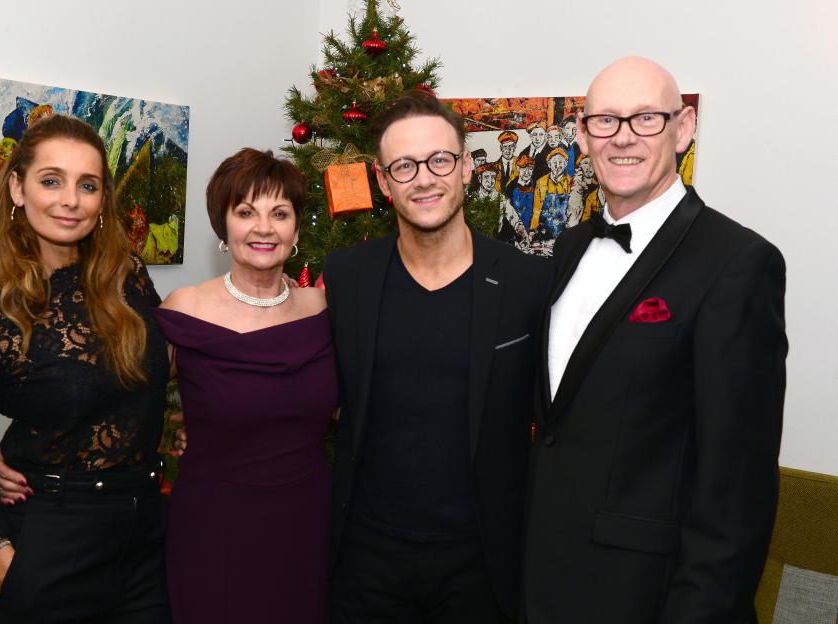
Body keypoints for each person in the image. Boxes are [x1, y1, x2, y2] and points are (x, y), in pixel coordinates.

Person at [524, 56, 787, 623]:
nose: (623, 138)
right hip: (542, 579)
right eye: (605, 121)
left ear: (683, 128)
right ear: (582, 134)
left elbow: (737, 485)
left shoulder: (739, 263)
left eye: (646, 118)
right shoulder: (568, 249)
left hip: (645, 596)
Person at [326, 91, 552, 623]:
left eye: (440, 160)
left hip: (481, 560)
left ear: (467, 167)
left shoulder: (528, 282)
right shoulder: (347, 276)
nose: (424, 178)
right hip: (367, 558)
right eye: (404, 166)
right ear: (383, 182)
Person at [0, 114, 171, 623]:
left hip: (146, 535)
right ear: (18, 188)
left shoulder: (129, 276)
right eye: (52, 180)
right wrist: (6, 565)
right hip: (52, 542)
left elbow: (156, 375)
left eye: (87, 185)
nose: (71, 199)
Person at [154, 148, 336, 623]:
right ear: (223, 225)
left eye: (280, 213)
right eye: (245, 212)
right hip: (215, 523)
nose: (263, 228)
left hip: (305, 521)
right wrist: (30, 447)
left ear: (296, 228)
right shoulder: (184, 310)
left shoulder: (322, 309)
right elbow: (122, 397)